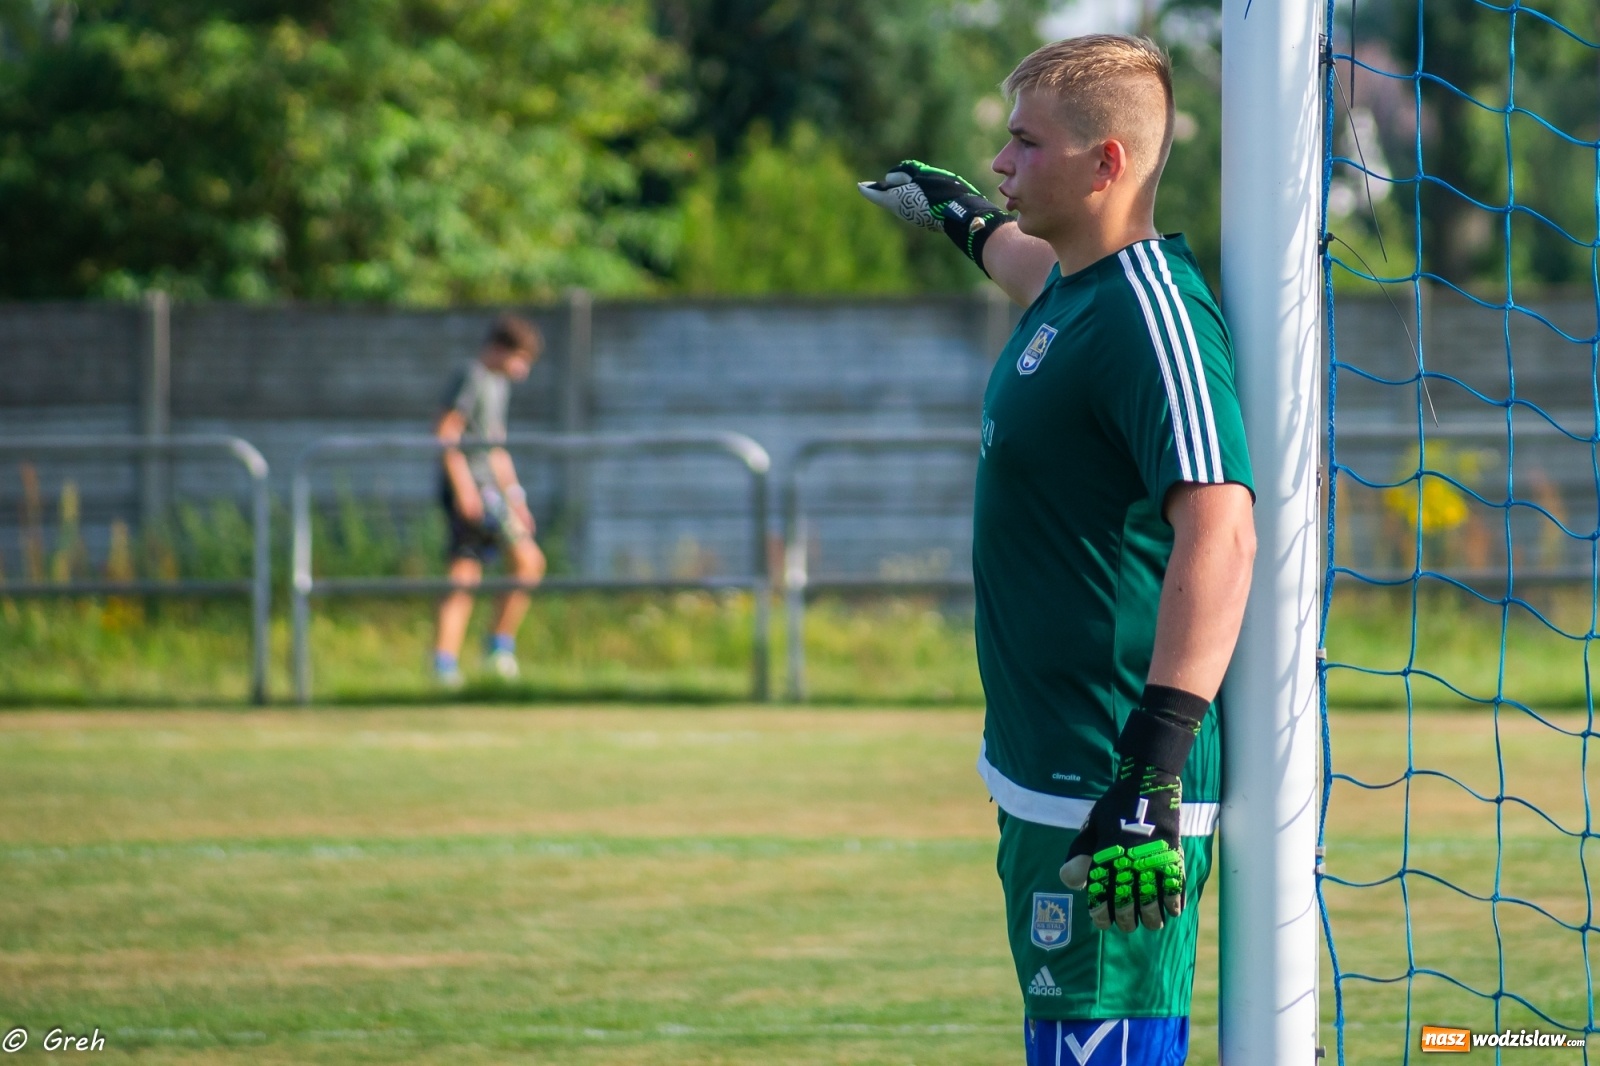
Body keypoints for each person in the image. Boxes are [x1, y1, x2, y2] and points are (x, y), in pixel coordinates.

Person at [859, 35, 1256, 1066]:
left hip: (1112, 783)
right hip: (1049, 767)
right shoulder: (1075, 287)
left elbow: (1221, 526)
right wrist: (960, 216)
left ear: (1107, 163)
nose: (1000, 162)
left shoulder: (1152, 317)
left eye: (1023, 144)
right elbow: (1019, 259)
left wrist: (1152, 766)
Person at [433, 314, 548, 686]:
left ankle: (486, 649)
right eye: (521, 359)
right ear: (500, 349)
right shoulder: (472, 376)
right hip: (473, 492)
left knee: (514, 565)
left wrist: (516, 498)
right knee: (471, 573)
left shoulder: (498, 385)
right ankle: (456, 661)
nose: (523, 370)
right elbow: (447, 433)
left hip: (492, 492)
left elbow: (496, 449)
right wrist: (465, 489)